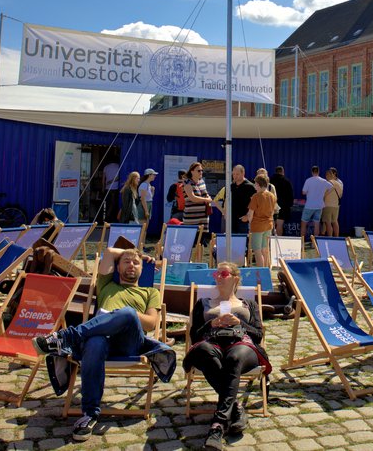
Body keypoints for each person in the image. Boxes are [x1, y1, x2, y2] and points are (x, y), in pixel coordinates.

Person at [34, 247, 171, 442]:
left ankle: (67, 336)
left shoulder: (149, 292)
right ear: (117, 266)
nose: (132, 265)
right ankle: (89, 414)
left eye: (136, 263)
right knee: (95, 342)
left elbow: (150, 323)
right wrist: (133, 253)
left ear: (142, 269)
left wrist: (125, 313)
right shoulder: (105, 283)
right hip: (99, 339)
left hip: (128, 342)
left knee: (128, 313)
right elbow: (108, 251)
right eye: (126, 262)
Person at [183, 261, 271, 450]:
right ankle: (236, 408)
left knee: (234, 358)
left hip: (242, 344)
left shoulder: (248, 304)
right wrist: (211, 324)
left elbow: (258, 334)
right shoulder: (203, 303)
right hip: (211, 344)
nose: (218, 277)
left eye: (223, 274)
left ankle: (218, 425)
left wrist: (239, 322)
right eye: (216, 274)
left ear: (235, 279)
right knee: (202, 351)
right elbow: (193, 336)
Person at [242, 175, 277, 267]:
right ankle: (268, 270)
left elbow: (250, 214)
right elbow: (274, 210)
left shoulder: (256, 196)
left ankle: (261, 272)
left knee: (257, 251)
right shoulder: (272, 196)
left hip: (257, 226)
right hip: (268, 225)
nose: (254, 185)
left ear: (257, 184)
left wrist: (249, 223)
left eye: (255, 184)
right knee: (265, 250)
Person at [301, 165, 332, 238]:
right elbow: (331, 187)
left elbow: (303, 192)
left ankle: (302, 243)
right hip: (319, 205)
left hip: (309, 205)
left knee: (303, 223)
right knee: (317, 224)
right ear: (318, 171)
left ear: (312, 172)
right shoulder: (323, 181)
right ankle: (314, 243)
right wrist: (325, 193)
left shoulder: (308, 180)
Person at [183, 162, 215, 228]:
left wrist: (208, 197)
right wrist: (206, 199)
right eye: (199, 171)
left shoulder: (202, 181)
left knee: (204, 237)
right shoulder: (187, 182)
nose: (201, 172)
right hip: (191, 219)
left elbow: (205, 194)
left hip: (204, 218)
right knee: (192, 238)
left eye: (202, 170)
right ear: (192, 171)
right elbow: (192, 198)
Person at [229, 165, 257, 234]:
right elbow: (227, 200)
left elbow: (255, 203)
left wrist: (248, 216)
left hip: (244, 221)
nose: (235, 176)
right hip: (232, 220)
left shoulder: (250, 187)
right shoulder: (231, 186)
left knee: (243, 242)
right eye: (233, 174)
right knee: (231, 242)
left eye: (237, 174)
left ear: (243, 173)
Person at [271, 166, 294, 235]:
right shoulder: (287, 181)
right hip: (283, 207)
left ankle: (270, 242)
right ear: (283, 172)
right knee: (279, 225)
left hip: (271, 206)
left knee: (271, 225)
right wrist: (289, 205)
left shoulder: (270, 181)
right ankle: (278, 241)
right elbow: (290, 195)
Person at [321, 167, 343, 237]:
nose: (325, 176)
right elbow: (340, 195)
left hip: (327, 205)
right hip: (336, 206)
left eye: (326, 175)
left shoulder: (327, 183)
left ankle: (329, 238)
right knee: (335, 222)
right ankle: (336, 237)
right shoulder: (339, 184)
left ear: (329, 175)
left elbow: (323, 194)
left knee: (328, 223)